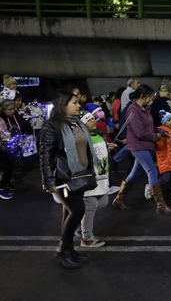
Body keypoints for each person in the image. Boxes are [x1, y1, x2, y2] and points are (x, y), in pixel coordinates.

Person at [40, 91, 101, 269]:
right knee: (77, 210)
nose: (78, 105)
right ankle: (63, 249)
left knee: (69, 212)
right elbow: (46, 154)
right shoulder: (52, 126)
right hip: (63, 177)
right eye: (74, 102)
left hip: (80, 175)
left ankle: (69, 249)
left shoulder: (77, 123)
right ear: (63, 104)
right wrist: (48, 180)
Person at [111, 84, 171, 214]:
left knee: (134, 173)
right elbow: (140, 133)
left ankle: (119, 199)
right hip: (138, 146)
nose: (152, 98)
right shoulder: (133, 110)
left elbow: (149, 127)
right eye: (150, 96)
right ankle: (161, 205)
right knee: (152, 171)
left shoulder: (144, 109)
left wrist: (161, 132)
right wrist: (157, 136)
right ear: (142, 96)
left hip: (145, 145)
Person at [76, 111, 115, 248]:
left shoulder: (100, 135)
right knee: (90, 207)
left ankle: (77, 224)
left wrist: (109, 147)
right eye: (89, 120)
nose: (93, 121)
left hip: (102, 179)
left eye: (93, 118)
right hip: (90, 180)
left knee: (103, 202)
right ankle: (87, 238)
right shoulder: (81, 139)